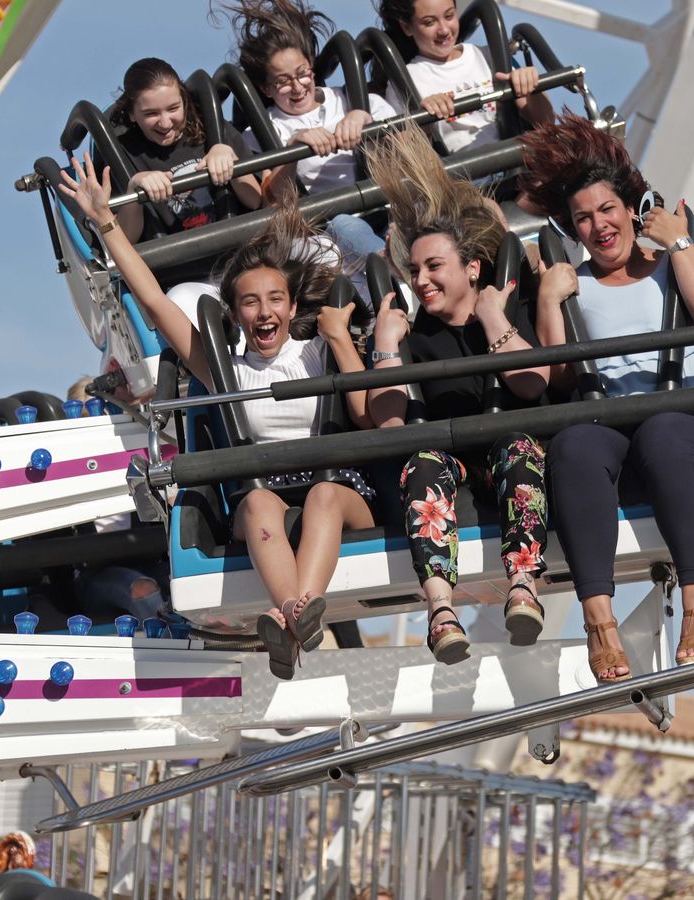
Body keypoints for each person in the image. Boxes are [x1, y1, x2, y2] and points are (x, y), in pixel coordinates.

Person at [59, 151, 375, 679]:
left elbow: (369, 408)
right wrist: (106, 224)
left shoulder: (316, 349)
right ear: (233, 315)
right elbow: (157, 302)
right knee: (254, 506)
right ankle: (297, 612)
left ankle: (291, 614)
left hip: (336, 487)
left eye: (276, 299)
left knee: (320, 496)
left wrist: (344, 336)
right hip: (265, 491)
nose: (265, 312)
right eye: (250, 303)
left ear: (293, 308)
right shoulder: (222, 367)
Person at [521, 115, 694, 683]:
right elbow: (557, 375)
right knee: (572, 446)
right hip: (610, 419)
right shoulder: (577, 285)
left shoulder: (672, 263)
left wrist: (680, 240)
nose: (598, 226)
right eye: (583, 219)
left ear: (631, 209)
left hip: (680, 416)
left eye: (607, 211)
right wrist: (549, 299)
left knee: (665, 433)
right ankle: (600, 624)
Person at [363, 129, 552, 664]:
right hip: (451, 456)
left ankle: (523, 586)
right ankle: (441, 610)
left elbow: (533, 382)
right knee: (422, 464)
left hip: (507, 446)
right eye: (415, 270)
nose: (422, 280)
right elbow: (390, 421)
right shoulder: (414, 336)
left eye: (434, 267)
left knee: (518, 451)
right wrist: (384, 345)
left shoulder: (507, 308)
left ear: (471, 267)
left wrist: (492, 318)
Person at [222, 0, 396, 299]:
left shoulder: (352, 100)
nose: (298, 86)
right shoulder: (260, 135)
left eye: (302, 73)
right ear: (266, 89)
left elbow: (408, 149)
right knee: (345, 225)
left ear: (312, 69)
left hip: (384, 207)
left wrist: (365, 121)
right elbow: (270, 200)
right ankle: (393, 267)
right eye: (283, 81)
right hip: (322, 228)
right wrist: (293, 149)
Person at [109, 57, 262, 243]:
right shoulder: (122, 154)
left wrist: (229, 157)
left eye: (173, 108)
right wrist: (133, 188)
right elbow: (125, 240)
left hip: (239, 248)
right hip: (179, 263)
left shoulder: (213, 129)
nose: (165, 123)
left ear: (184, 102)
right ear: (132, 113)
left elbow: (255, 201)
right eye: (151, 114)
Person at [375, 0, 552, 155]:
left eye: (449, 16)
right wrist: (425, 122)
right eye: (429, 23)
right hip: (468, 179)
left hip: (520, 160)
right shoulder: (406, 80)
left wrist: (530, 87)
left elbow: (545, 121)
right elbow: (406, 157)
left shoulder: (489, 55)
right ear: (407, 27)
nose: (444, 30)